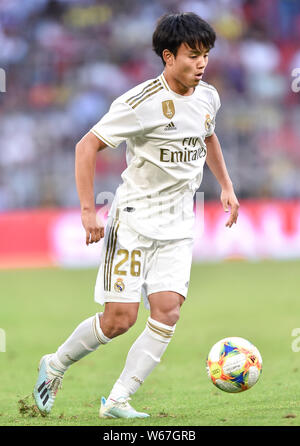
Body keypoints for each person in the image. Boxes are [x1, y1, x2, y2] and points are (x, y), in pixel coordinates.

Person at [33, 12, 239, 419]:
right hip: (134, 222)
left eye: (206, 56)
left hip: (179, 223)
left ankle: (118, 400)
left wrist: (226, 185)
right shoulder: (139, 103)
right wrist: (89, 212)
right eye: (193, 55)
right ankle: (54, 365)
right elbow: (85, 147)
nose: (201, 64)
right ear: (168, 56)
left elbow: (208, 135)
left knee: (168, 311)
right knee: (119, 320)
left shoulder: (207, 97)